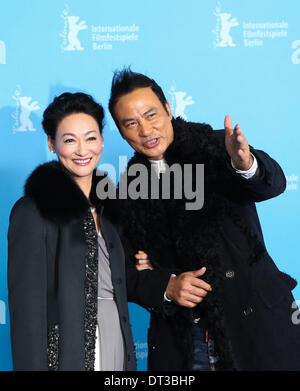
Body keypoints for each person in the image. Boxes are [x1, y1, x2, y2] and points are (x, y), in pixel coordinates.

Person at [105, 68, 300, 371]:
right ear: (121, 131)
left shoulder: (215, 147)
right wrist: (166, 286)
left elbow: (270, 184)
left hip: (256, 325)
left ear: (168, 109)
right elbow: (121, 273)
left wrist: (245, 163)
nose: (145, 130)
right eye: (131, 123)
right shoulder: (126, 192)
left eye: (151, 115)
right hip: (185, 341)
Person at [7, 92, 137, 371]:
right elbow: (26, 315)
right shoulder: (34, 211)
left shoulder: (111, 212)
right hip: (68, 354)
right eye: (69, 140)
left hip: (118, 343)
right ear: (52, 144)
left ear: (101, 141)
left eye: (90, 138)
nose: (82, 150)